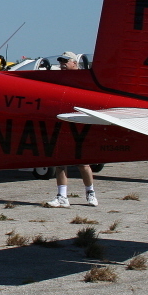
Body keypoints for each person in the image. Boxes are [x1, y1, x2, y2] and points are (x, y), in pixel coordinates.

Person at [45, 52, 99, 207]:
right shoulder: (59, 80)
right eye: (60, 61)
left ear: (74, 63)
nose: (62, 64)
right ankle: (62, 196)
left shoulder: (84, 79)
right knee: (61, 162)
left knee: (83, 162)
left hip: (80, 125)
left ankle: (90, 194)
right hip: (62, 124)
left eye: (65, 61)